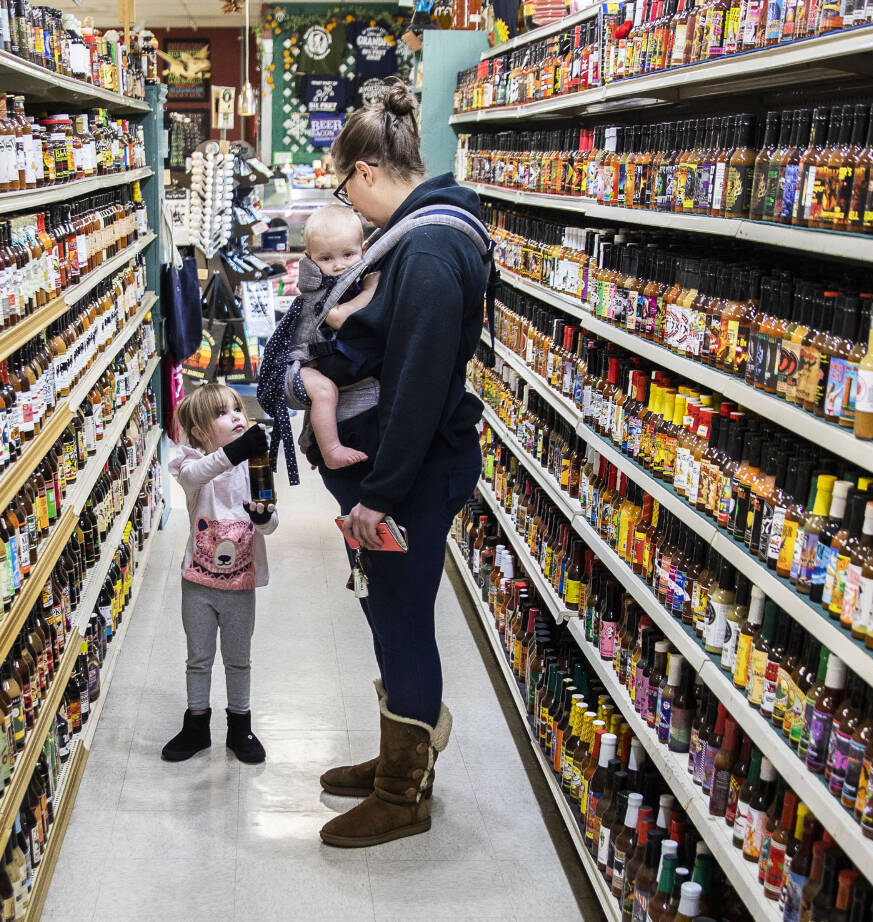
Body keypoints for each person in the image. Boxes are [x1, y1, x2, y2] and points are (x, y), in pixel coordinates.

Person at [312, 78, 491, 848]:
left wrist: (378, 497)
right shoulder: (436, 227)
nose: (354, 216)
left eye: (350, 198)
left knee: (404, 620)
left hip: (412, 475)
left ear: (365, 173)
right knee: (388, 611)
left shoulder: (426, 245)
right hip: (407, 471)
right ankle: (400, 750)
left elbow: (417, 383)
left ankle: (403, 792)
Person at [163, 383, 279, 765]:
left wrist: (264, 517)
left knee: (238, 658)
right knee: (198, 657)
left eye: (237, 410)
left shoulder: (255, 464)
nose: (236, 417)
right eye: (223, 413)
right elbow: (200, 474)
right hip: (197, 583)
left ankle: (239, 725)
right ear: (198, 431)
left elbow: (271, 520)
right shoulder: (189, 463)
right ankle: (196, 724)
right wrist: (235, 452)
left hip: (240, 583)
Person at [293, 205, 382, 469]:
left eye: (347, 254)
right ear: (309, 258)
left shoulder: (346, 279)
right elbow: (337, 317)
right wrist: (371, 289)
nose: (338, 265)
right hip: (303, 360)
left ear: (363, 250)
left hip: (321, 357)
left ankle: (312, 439)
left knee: (324, 398)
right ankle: (330, 450)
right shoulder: (318, 285)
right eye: (326, 258)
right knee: (324, 392)